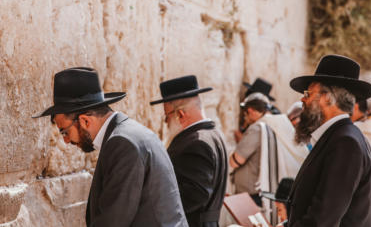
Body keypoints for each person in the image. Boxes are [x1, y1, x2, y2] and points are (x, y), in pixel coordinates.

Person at [33, 67, 188, 227]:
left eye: (64, 132)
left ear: (86, 121)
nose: (66, 141)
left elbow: (113, 220)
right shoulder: (129, 134)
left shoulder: (122, 143)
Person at [286, 54, 371, 227]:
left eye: (308, 93)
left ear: (327, 97)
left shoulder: (346, 143)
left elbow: (323, 220)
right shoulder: (341, 136)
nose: (302, 99)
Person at [150, 75, 228, 227]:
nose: (166, 123)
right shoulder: (214, 134)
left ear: (180, 114)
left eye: (167, 116)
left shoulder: (196, 143)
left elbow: (191, 197)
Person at [230, 93, 307, 225]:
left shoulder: (257, 128)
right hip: (268, 192)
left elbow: (236, 160)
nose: (245, 118)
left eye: (245, 114)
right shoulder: (278, 124)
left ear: (250, 111)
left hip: (253, 196)